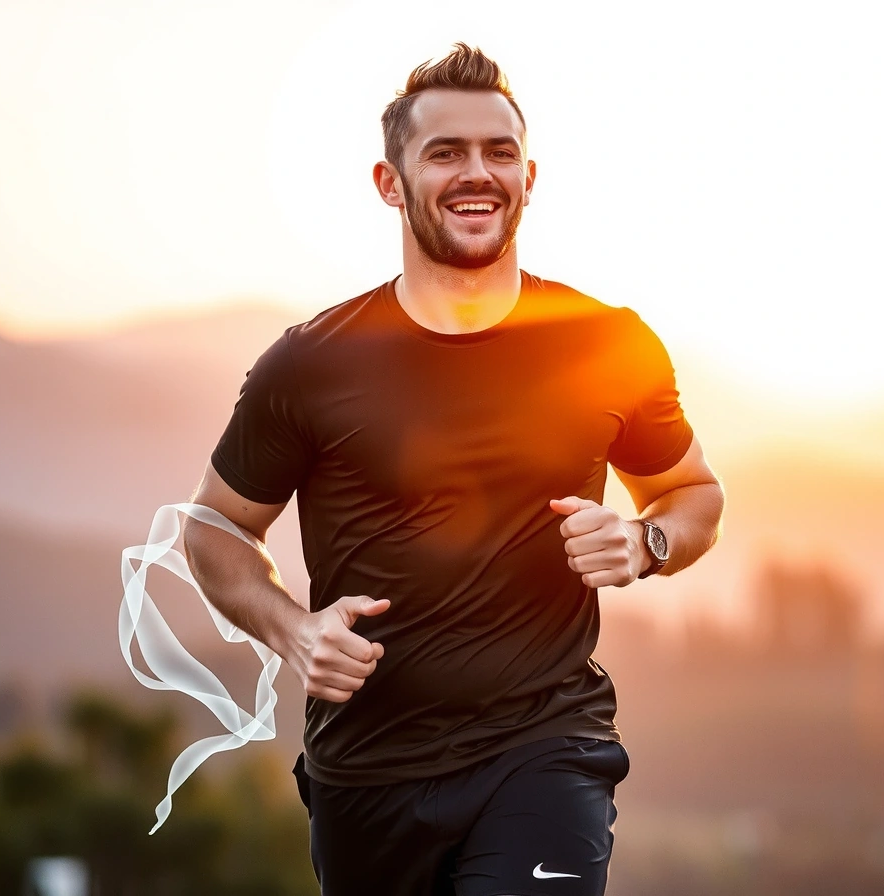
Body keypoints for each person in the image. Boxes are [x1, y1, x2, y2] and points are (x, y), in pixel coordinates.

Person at [181, 42, 725, 896]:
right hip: (366, 776)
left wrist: (646, 541)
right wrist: (293, 630)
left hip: (546, 747)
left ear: (530, 176)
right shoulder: (310, 364)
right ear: (390, 183)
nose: (478, 173)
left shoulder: (606, 343)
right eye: (446, 153)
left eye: (498, 152)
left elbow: (692, 493)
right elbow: (213, 528)